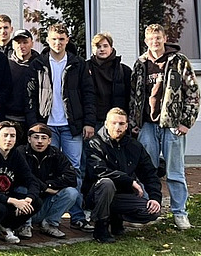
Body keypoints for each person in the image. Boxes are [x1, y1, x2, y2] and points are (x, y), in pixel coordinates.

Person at [128, 23, 199, 231]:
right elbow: (134, 96)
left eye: (158, 38)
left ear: (164, 38)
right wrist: (134, 124)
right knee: (145, 170)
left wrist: (186, 122)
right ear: (145, 41)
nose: (155, 42)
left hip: (172, 124)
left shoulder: (179, 61)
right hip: (147, 125)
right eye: (151, 39)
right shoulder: (140, 63)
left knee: (175, 171)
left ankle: (180, 213)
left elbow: (193, 93)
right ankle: (147, 211)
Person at [26, 23, 96, 231]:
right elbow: (29, 96)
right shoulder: (38, 63)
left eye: (62, 39)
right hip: (46, 126)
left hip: (71, 125)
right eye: (54, 39)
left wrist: (89, 122)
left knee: (75, 170)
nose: (58, 42)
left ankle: (76, 215)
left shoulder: (78, 63)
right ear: (48, 40)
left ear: (68, 40)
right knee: (45, 170)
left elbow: (88, 94)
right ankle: (38, 214)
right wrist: (34, 125)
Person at [85, 108, 161, 243]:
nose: (117, 127)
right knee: (107, 183)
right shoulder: (95, 143)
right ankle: (100, 228)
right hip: (97, 195)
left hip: (122, 196)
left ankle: (116, 218)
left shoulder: (135, 146)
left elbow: (150, 173)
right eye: (113, 123)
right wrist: (130, 181)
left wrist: (155, 198)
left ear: (126, 126)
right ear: (106, 124)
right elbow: (98, 170)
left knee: (152, 212)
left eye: (121, 124)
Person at [16, 123, 78, 239]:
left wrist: (50, 185)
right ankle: (24, 225)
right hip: (25, 204)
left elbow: (71, 177)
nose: (40, 141)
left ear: (49, 141)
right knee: (22, 188)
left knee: (71, 192)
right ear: (29, 139)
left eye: (43, 138)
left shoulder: (56, 154)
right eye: (36, 137)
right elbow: (24, 177)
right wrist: (45, 187)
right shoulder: (20, 152)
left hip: (45, 204)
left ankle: (50, 224)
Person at [88, 32, 132, 127]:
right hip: (92, 122)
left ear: (111, 48)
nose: (102, 49)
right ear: (93, 49)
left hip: (116, 123)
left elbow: (130, 97)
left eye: (105, 46)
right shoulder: (85, 69)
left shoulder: (124, 70)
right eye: (98, 46)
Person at [5, 29, 37, 124]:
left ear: (32, 43)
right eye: (18, 42)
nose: (21, 46)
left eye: (25, 42)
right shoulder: (6, 65)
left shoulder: (40, 65)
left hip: (33, 119)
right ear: (13, 45)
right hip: (8, 117)